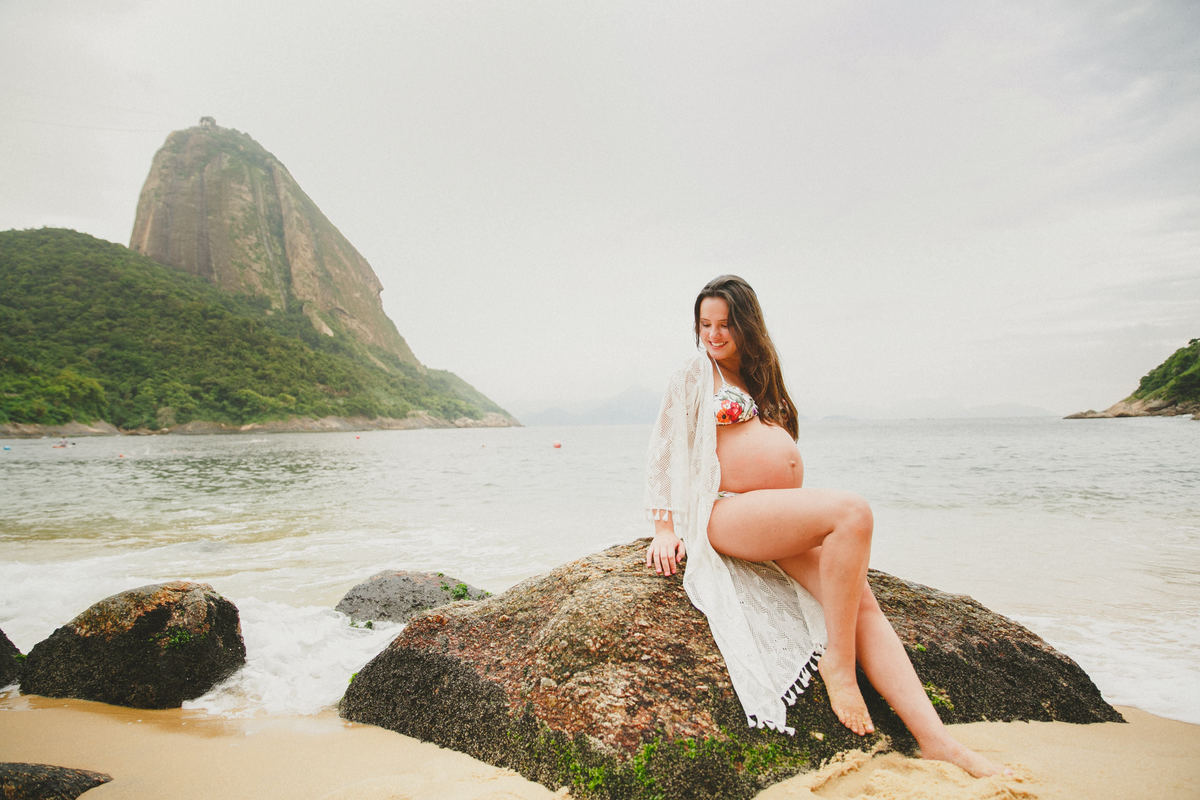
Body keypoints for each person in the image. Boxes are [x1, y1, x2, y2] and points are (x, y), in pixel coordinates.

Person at [643, 274, 1002, 778]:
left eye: (725, 324)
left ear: (747, 325)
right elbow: (664, 445)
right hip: (725, 511)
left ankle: (936, 739)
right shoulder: (695, 372)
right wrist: (663, 527)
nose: (714, 335)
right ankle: (839, 661)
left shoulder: (758, 376)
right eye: (705, 324)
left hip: (767, 514)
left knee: (860, 599)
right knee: (851, 512)